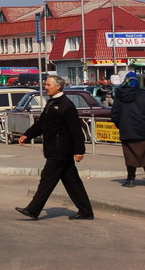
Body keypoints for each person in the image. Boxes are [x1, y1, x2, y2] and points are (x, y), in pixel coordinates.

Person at [15, 75, 94, 220]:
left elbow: (75, 130)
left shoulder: (66, 105)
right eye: (45, 84)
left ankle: (33, 210)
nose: (45, 87)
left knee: (47, 179)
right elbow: (41, 124)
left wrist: (79, 150)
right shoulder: (51, 103)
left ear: (58, 86)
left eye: (48, 85)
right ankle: (86, 211)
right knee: (72, 182)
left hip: (60, 151)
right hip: (54, 149)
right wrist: (27, 135)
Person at [110, 71, 145, 188]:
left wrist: (121, 125)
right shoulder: (143, 94)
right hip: (142, 131)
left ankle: (130, 180)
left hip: (126, 131)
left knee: (129, 156)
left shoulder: (119, 95)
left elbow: (114, 114)